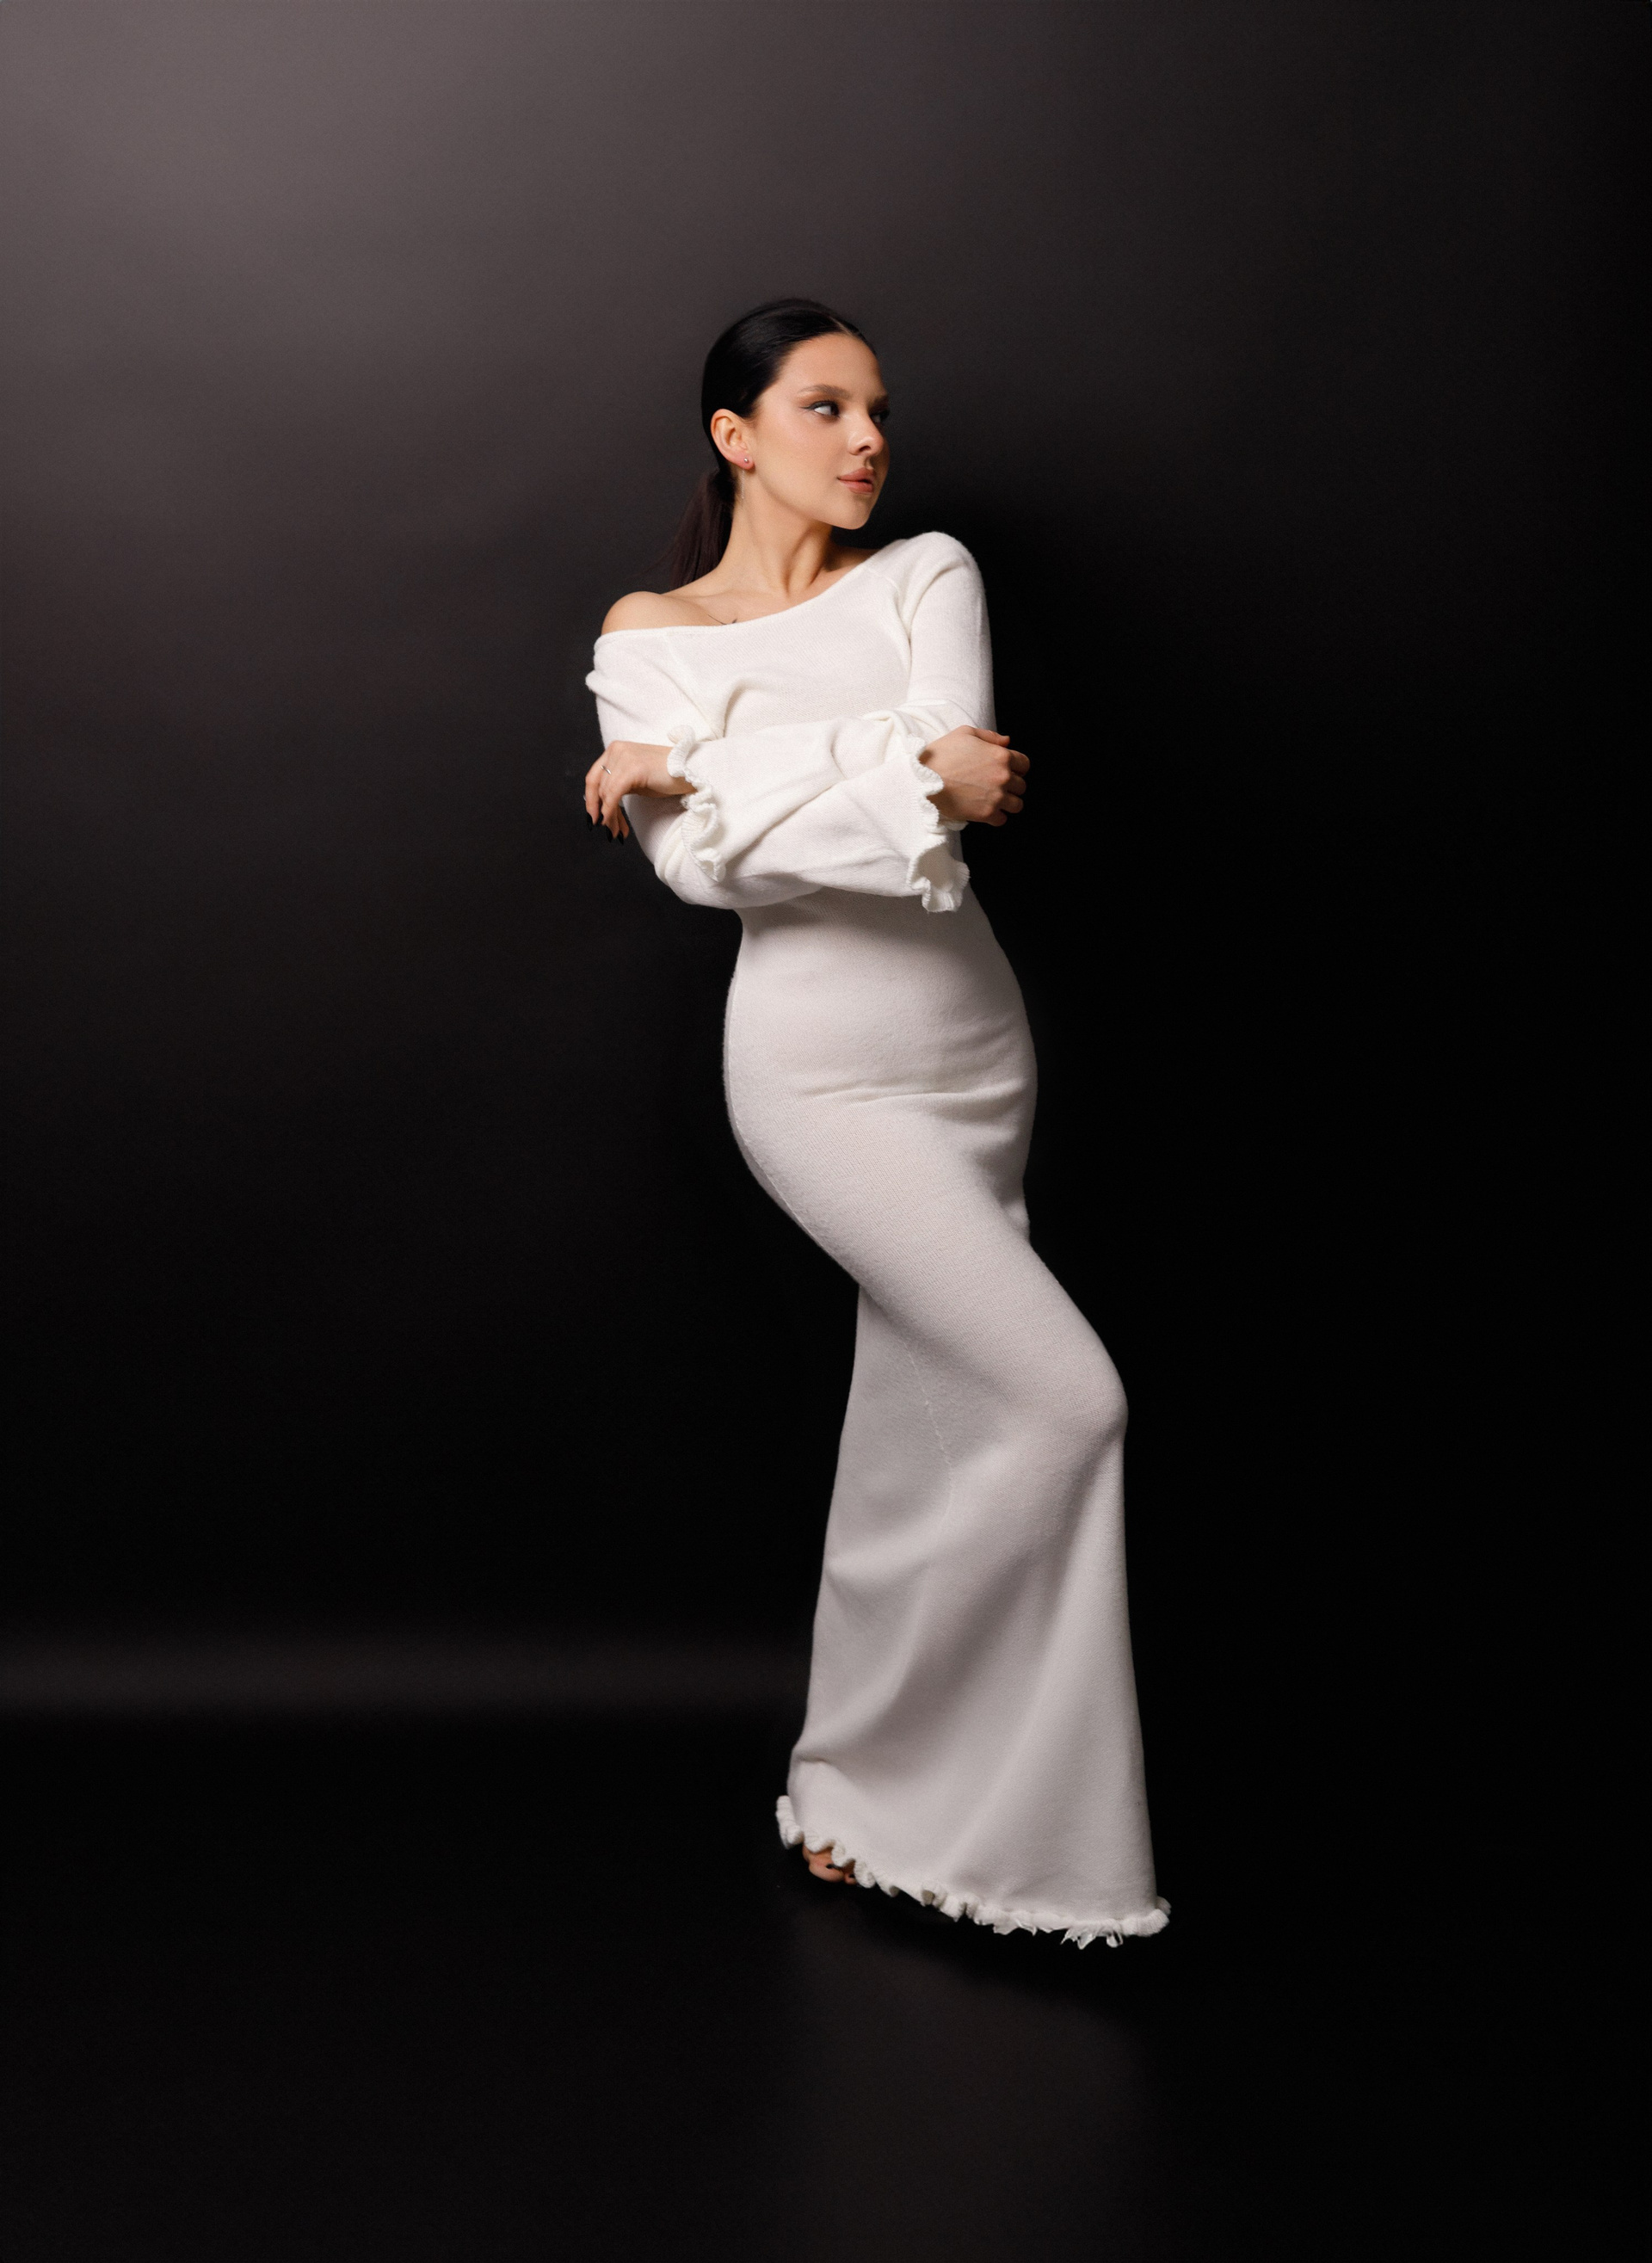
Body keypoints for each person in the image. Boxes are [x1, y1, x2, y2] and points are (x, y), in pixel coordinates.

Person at [584, 299, 1167, 1947]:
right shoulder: (650, 632)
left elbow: (954, 779)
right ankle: (964, 1801)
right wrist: (885, 773)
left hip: (971, 1051)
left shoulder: (927, 573)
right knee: (1069, 1401)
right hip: (816, 1076)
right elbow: (706, 872)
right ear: (735, 434)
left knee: (928, 1419)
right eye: (826, 408)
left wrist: (707, 767)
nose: (867, 441)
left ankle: (855, 1783)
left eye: (879, 411)